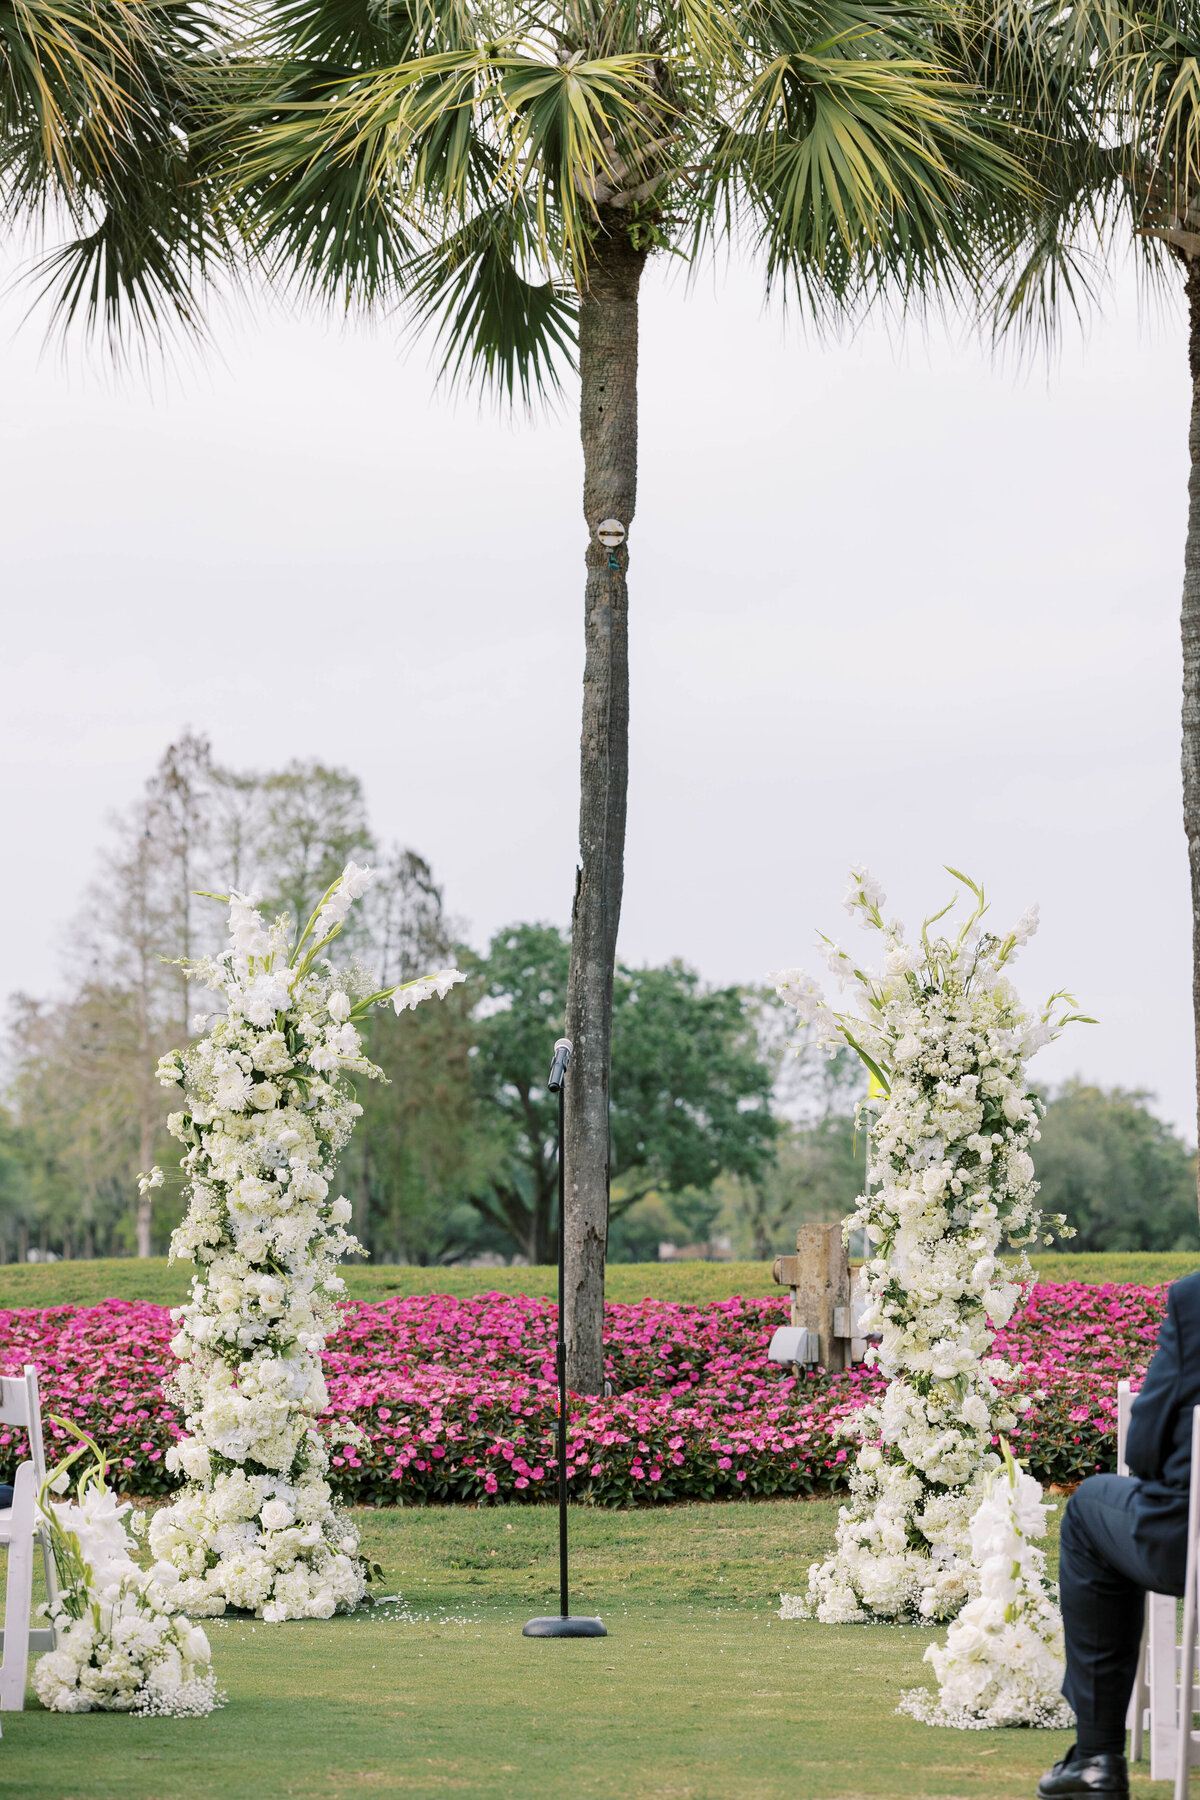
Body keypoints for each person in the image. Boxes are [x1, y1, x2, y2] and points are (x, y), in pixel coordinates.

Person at [1038, 1269, 1200, 1799]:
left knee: (1088, 1509)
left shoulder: (1194, 1298)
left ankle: (1096, 1758)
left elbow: (1145, 1445)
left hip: (1187, 1541)